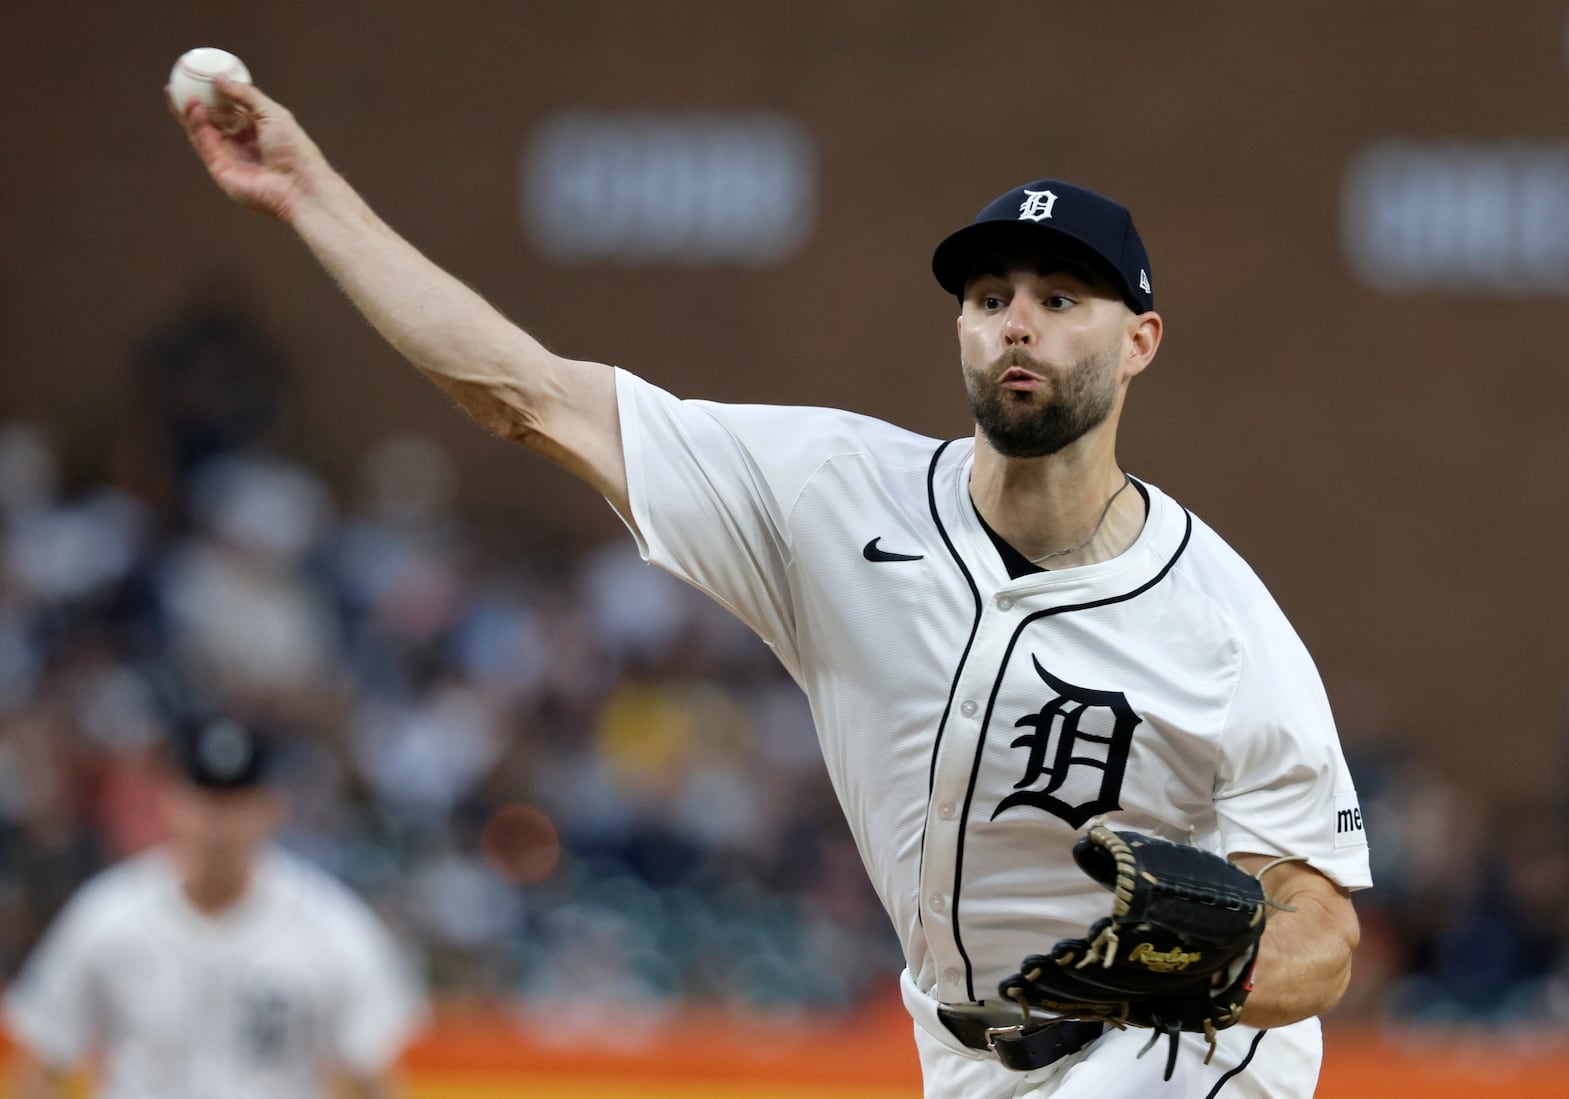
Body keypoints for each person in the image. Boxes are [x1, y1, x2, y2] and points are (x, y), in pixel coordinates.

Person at [168, 76, 1370, 1098]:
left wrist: (1222, 976)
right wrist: (307, 192)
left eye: (1062, 300)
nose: (1020, 325)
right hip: (959, 1050)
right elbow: (524, 392)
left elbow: (1322, 928)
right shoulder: (831, 494)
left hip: (1171, 1053)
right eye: (991, 296)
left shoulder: (1219, 623)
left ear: (1138, 340)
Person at [4, 715, 427, 1099]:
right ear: (170, 800)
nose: (217, 823)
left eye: (235, 803)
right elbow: (46, 1062)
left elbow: (371, 1076)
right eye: (203, 800)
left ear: (270, 807)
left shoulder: (330, 923)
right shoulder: (109, 914)